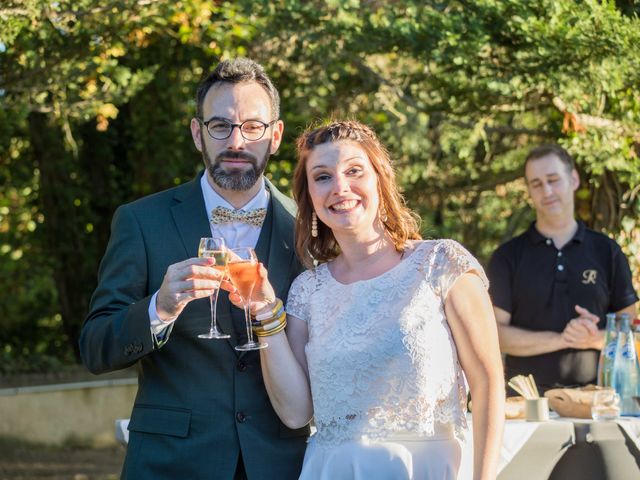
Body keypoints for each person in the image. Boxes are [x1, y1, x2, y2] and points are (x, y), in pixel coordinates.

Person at [227, 121, 505, 479]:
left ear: (379, 178)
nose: (340, 187)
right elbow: (295, 412)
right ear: (309, 196)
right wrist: (264, 310)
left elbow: (488, 385)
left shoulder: (442, 263)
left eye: (354, 170)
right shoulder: (307, 290)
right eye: (322, 177)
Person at [79, 58, 309, 480]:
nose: (236, 141)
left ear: (275, 135)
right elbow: (95, 347)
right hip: (170, 463)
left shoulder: (311, 229)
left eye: (252, 127)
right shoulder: (141, 221)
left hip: (282, 463)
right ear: (197, 132)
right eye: (220, 126)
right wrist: (159, 308)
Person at [487, 144, 639, 392]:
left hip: (600, 403)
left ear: (574, 179)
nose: (546, 191)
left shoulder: (607, 251)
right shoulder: (507, 257)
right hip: (528, 407)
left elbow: (631, 335)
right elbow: (494, 334)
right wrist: (561, 339)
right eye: (536, 184)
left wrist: (594, 337)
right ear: (529, 191)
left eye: (553, 180)